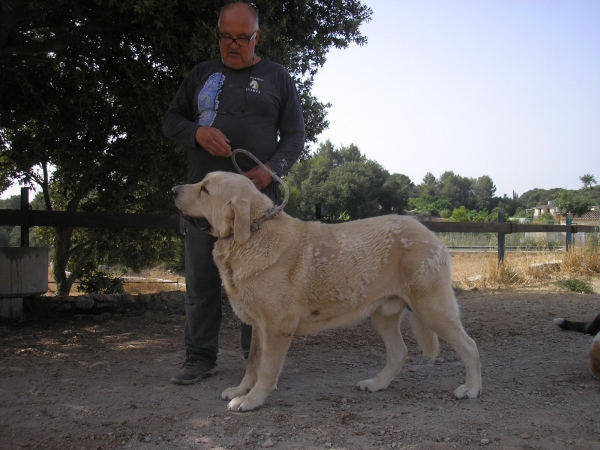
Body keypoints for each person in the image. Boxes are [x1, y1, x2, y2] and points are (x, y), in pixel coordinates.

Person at [162, 2, 305, 385]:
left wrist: (270, 169)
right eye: (227, 36)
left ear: (256, 37)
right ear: (219, 35)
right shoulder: (200, 74)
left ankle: (256, 359)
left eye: (243, 38)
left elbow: (295, 136)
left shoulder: (278, 77)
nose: (234, 45)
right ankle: (199, 358)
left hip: (257, 208)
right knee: (202, 284)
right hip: (202, 207)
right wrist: (196, 132)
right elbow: (171, 120)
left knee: (263, 283)